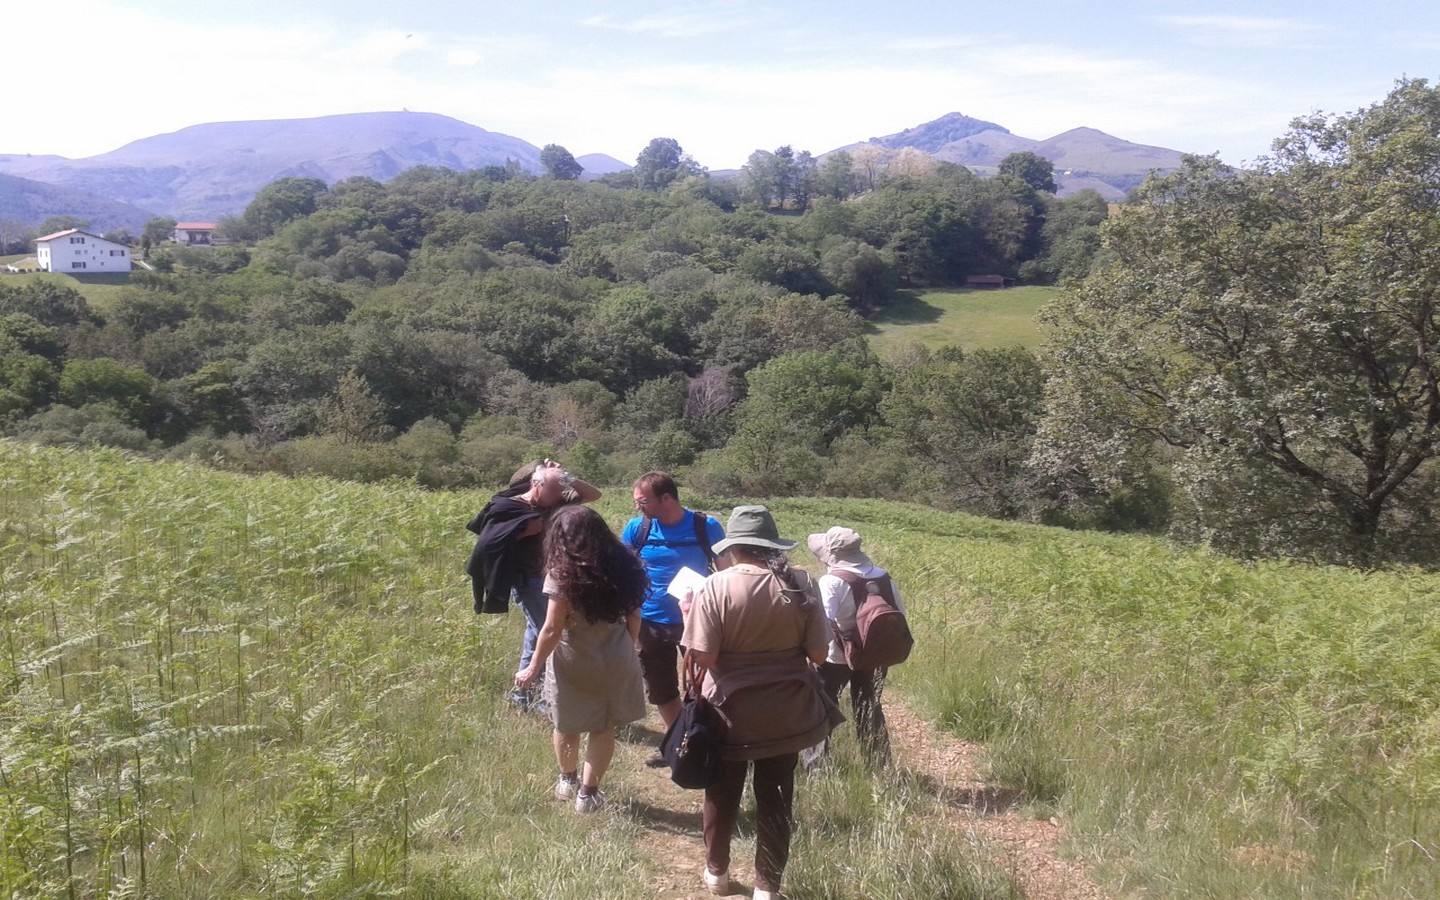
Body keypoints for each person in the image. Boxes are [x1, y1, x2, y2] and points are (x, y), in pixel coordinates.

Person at [682, 505, 841, 900]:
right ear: (771, 545)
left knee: (722, 790)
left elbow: (705, 657)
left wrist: (689, 614)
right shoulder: (801, 582)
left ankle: (717, 873)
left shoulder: (714, 587)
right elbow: (819, 655)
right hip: (788, 712)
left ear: (732, 547)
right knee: (777, 797)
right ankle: (767, 887)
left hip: (729, 711)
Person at [514, 505, 648, 813]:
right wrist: (629, 644)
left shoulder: (561, 575)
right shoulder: (626, 566)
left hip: (572, 657)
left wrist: (532, 667)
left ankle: (567, 780)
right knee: (604, 725)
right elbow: (635, 616)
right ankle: (588, 795)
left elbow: (550, 629)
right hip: (615, 653)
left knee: (566, 721)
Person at [465, 460, 601, 710]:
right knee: (550, 633)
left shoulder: (558, 498)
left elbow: (594, 494)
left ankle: (523, 696)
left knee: (536, 635)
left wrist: (567, 478)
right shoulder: (508, 506)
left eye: (560, 491)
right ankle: (543, 698)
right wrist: (522, 532)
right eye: (552, 491)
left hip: (553, 577)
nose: (558, 497)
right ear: (535, 485)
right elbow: (491, 541)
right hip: (528, 579)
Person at [621, 472, 728, 767]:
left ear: (666, 498)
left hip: (697, 620)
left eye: (642, 501)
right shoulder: (637, 528)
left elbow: (726, 572)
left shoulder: (705, 527)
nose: (638, 507)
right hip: (650, 621)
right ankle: (678, 742)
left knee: (704, 685)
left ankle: (706, 742)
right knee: (660, 687)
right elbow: (623, 568)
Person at [807, 526, 906, 766]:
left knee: (822, 709)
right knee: (870, 707)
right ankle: (879, 766)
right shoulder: (883, 577)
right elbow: (900, 614)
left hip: (836, 659)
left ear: (830, 554)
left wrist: (811, 656)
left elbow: (823, 622)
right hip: (875, 654)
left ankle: (818, 768)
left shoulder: (832, 581)